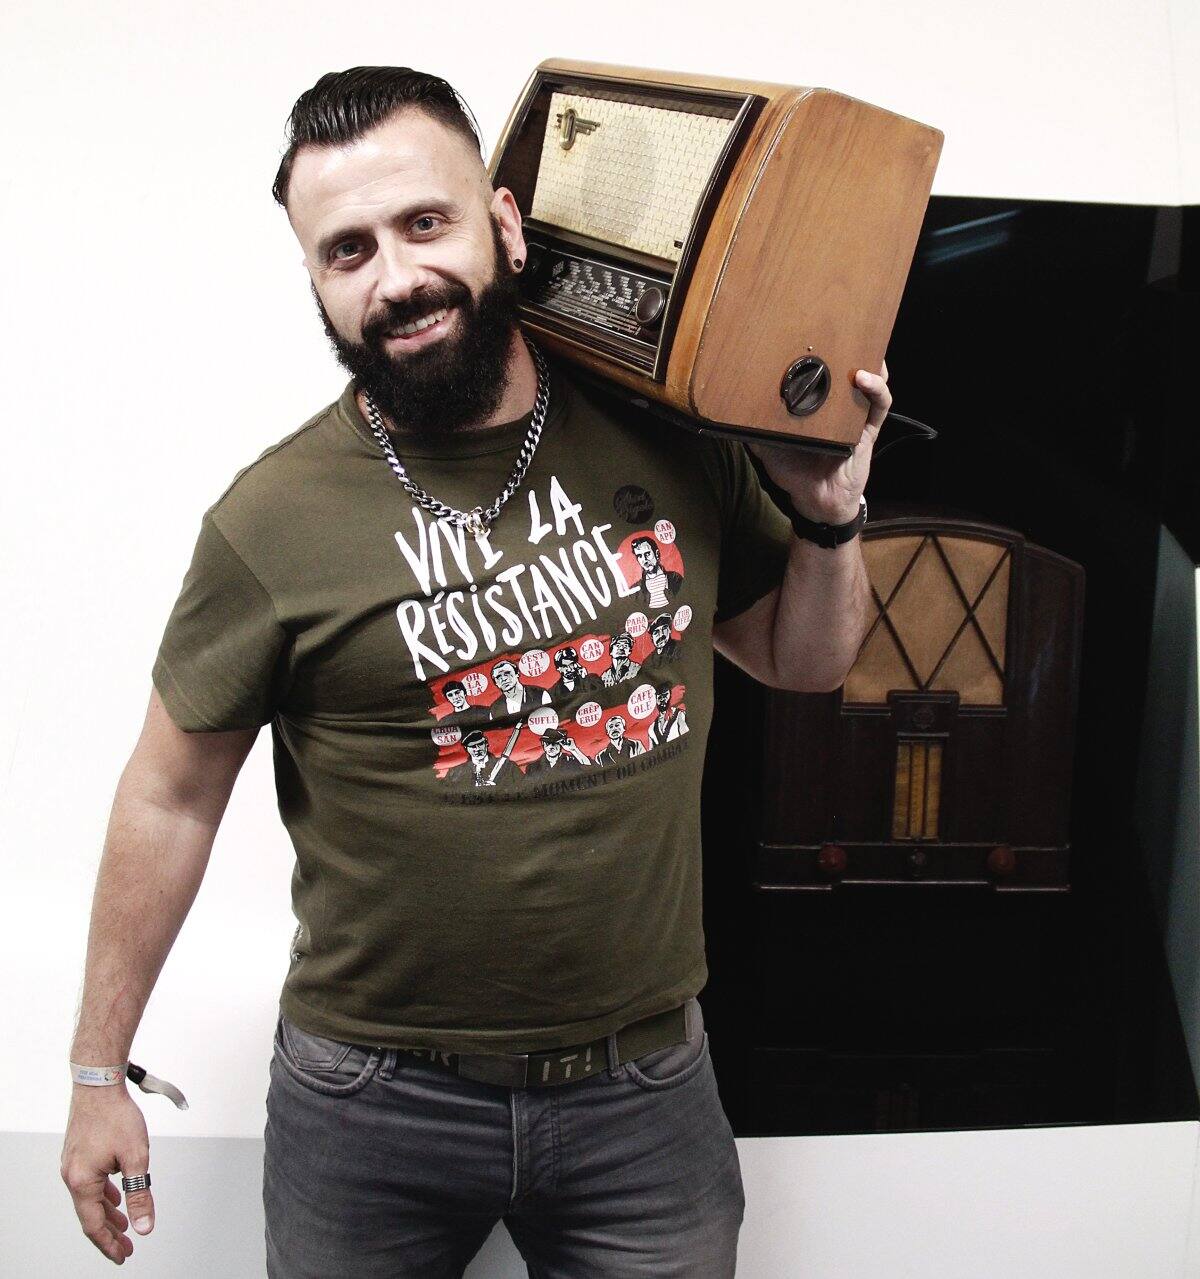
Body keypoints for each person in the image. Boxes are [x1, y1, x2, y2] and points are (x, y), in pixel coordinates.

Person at [60, 65, 890, 1277]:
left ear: (504, 223)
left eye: (424, 222)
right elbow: (168, 795)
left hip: (643, 1088)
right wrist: (97, 1072)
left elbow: (803, 660)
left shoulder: (672, 440)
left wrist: (826, 515)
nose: (396, 277)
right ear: (316, 282)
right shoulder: (270, 521)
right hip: (370, 1100)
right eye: (348, 251)